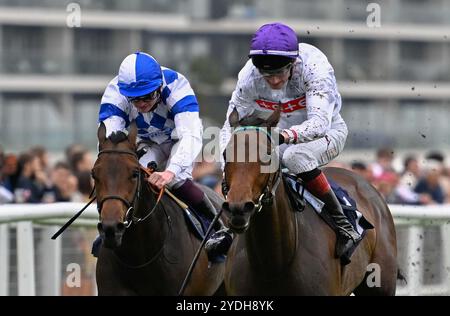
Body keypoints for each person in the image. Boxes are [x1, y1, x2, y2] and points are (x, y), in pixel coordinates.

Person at [209, 22, 361, 261]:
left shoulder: (314, 66)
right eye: (267, 75)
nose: (275, 81)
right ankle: (230, 227)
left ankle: (343, 224)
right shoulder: (248, 76)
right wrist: (228, 171)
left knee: (293, 156)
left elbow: (319, 124)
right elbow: (230, 127)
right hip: (275, 138)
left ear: (293, 63)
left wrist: (282, 137)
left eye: (280, 73)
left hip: (326, 134)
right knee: (247, 160)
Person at [98, 52, 228, 260]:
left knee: (175, 181)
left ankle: (216, 228)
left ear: (159, 86)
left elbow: (190, 136)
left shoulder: (177, 85)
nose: (141, 104)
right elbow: (111, 141)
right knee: (130, 178)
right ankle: (113, 229)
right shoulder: (116, 91)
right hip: (145, 143)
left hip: (177, 141)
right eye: (135, 99)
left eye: (148, 96)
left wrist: (170, 172)